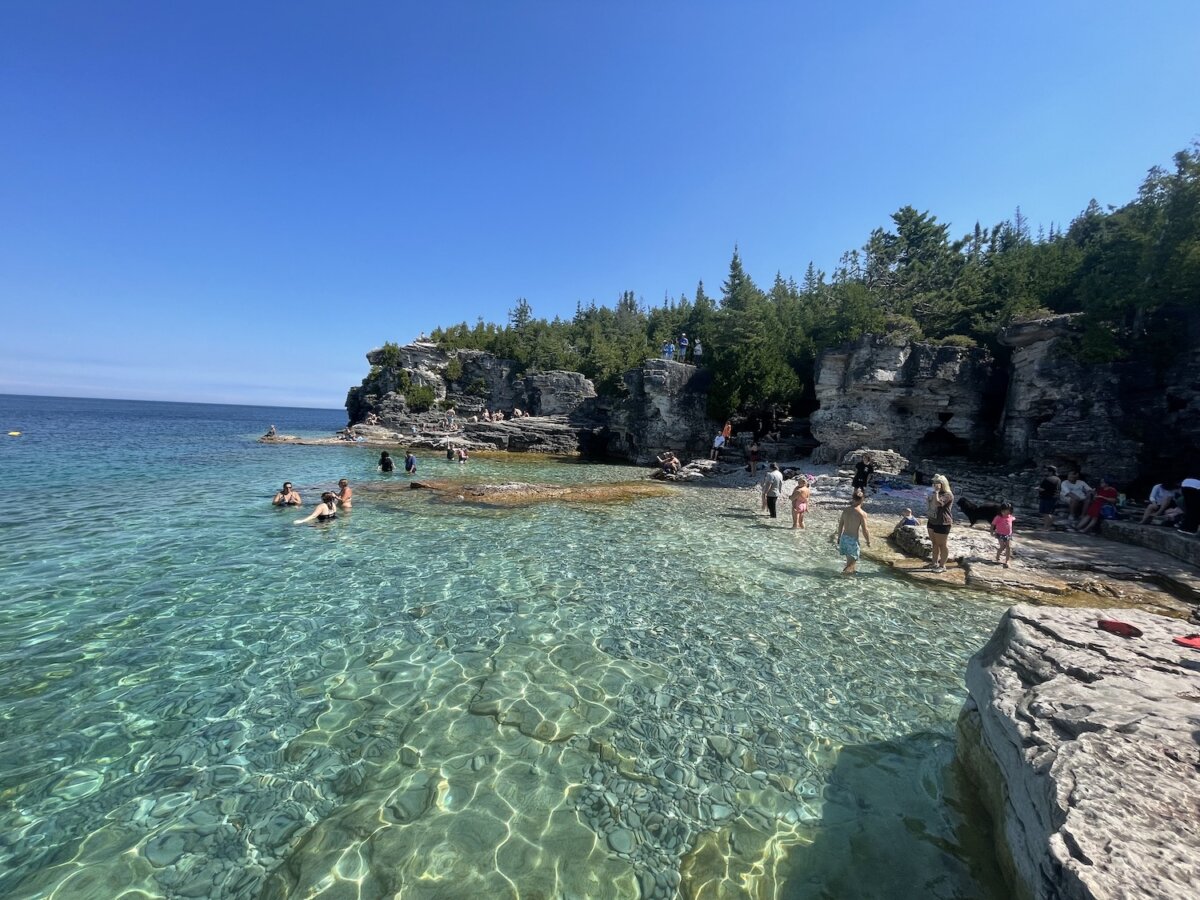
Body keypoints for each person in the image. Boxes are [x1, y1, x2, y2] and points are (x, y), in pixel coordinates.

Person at [836, 490, 872, 575]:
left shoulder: (846, 510)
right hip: (852, 540)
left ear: (853, 498)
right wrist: (868, 541)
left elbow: (840, 525)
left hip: (844, 539)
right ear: (862, 499)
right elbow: (865, 530)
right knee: (851, 564)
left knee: (849, 562)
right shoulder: (862, 514)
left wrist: (839, 537)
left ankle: (848, 578)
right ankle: (842, 579)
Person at [925, 474, 954, 572]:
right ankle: (934, 563)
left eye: (937, 483)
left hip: (942, 523)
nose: (934, 485)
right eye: (934, 483)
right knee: (934, 543)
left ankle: (942, 566)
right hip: (932, 520)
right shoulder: (934, 493)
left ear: (942, 484)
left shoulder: (948, 495)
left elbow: (938, 503)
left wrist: (936, 493)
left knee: (942, 544)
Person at [991, 502, 1015, 567]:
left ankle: (1007, 561)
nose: (1005, 513)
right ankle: (997, 556)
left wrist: (1012, 530)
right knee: (1002, 546)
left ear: (1010, 511)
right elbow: (993, 524)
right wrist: (991, 532)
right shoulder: (998, 517)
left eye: (1007, 511)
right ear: (1001, 511)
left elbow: (1012, 522)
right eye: (1003, 511)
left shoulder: (1010, 517)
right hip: (1000, 534)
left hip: (1008, 535)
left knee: (1008, 547)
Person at [1037, 465, 1061, 530]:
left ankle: (1045, 528)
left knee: (1046, 513)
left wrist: (1037, 488)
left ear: (1050, 472)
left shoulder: (1048, 479)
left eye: (1046, 471)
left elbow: (1042, 489)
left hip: (1046, 498)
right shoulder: (1058, 479)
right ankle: (1048, 527)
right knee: (1050, 513)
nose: (1045, 472)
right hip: (1054, 498)